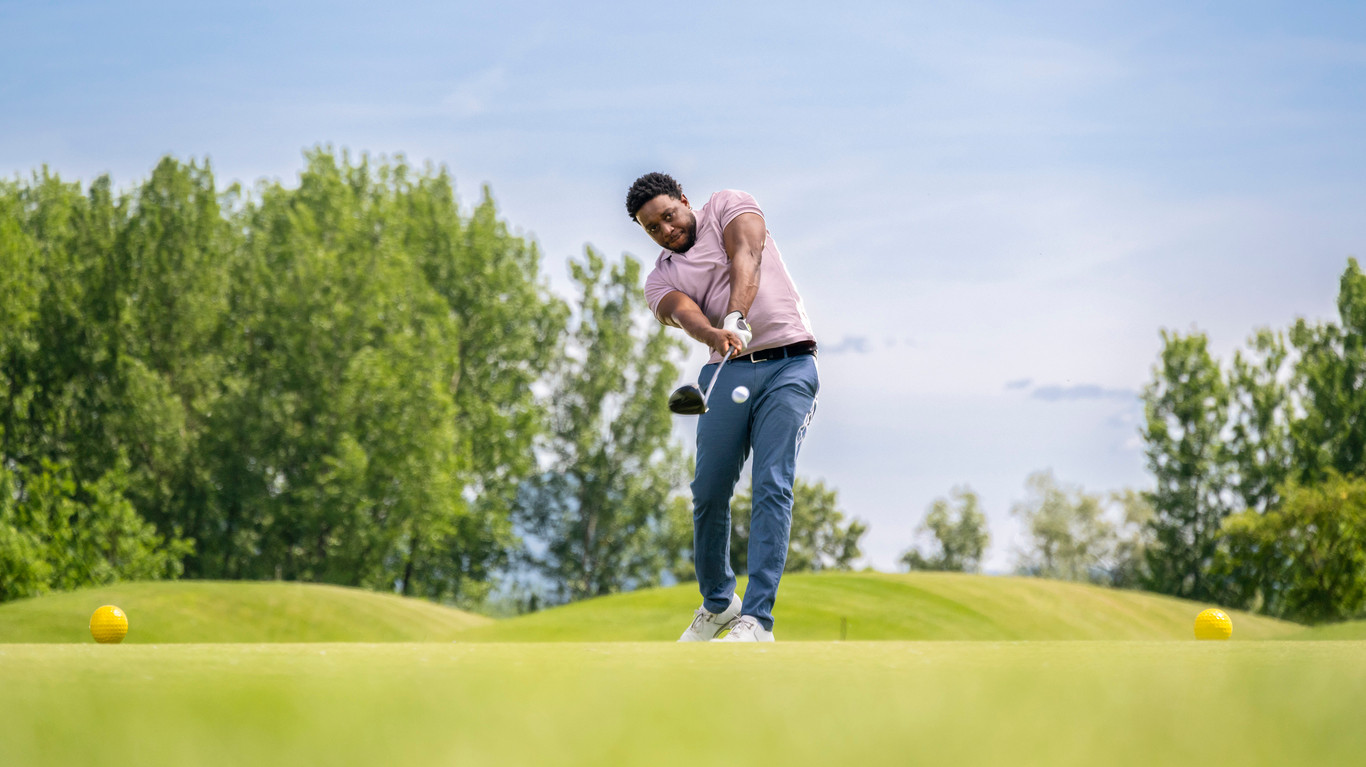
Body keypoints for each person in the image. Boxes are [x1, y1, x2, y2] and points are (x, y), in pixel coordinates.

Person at [625, 172, 819, 642]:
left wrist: (735, 313)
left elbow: (746, 255)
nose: (666, 230)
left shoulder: (728, 204)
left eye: (668, 216)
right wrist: (715, 334)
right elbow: (683, 311)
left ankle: (757, 621)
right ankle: (719, 604)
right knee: (708, 491)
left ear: (685, 202)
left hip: (789, 364)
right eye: (653, 227)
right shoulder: (660, 277)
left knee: (772, 483)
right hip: (725, 370)